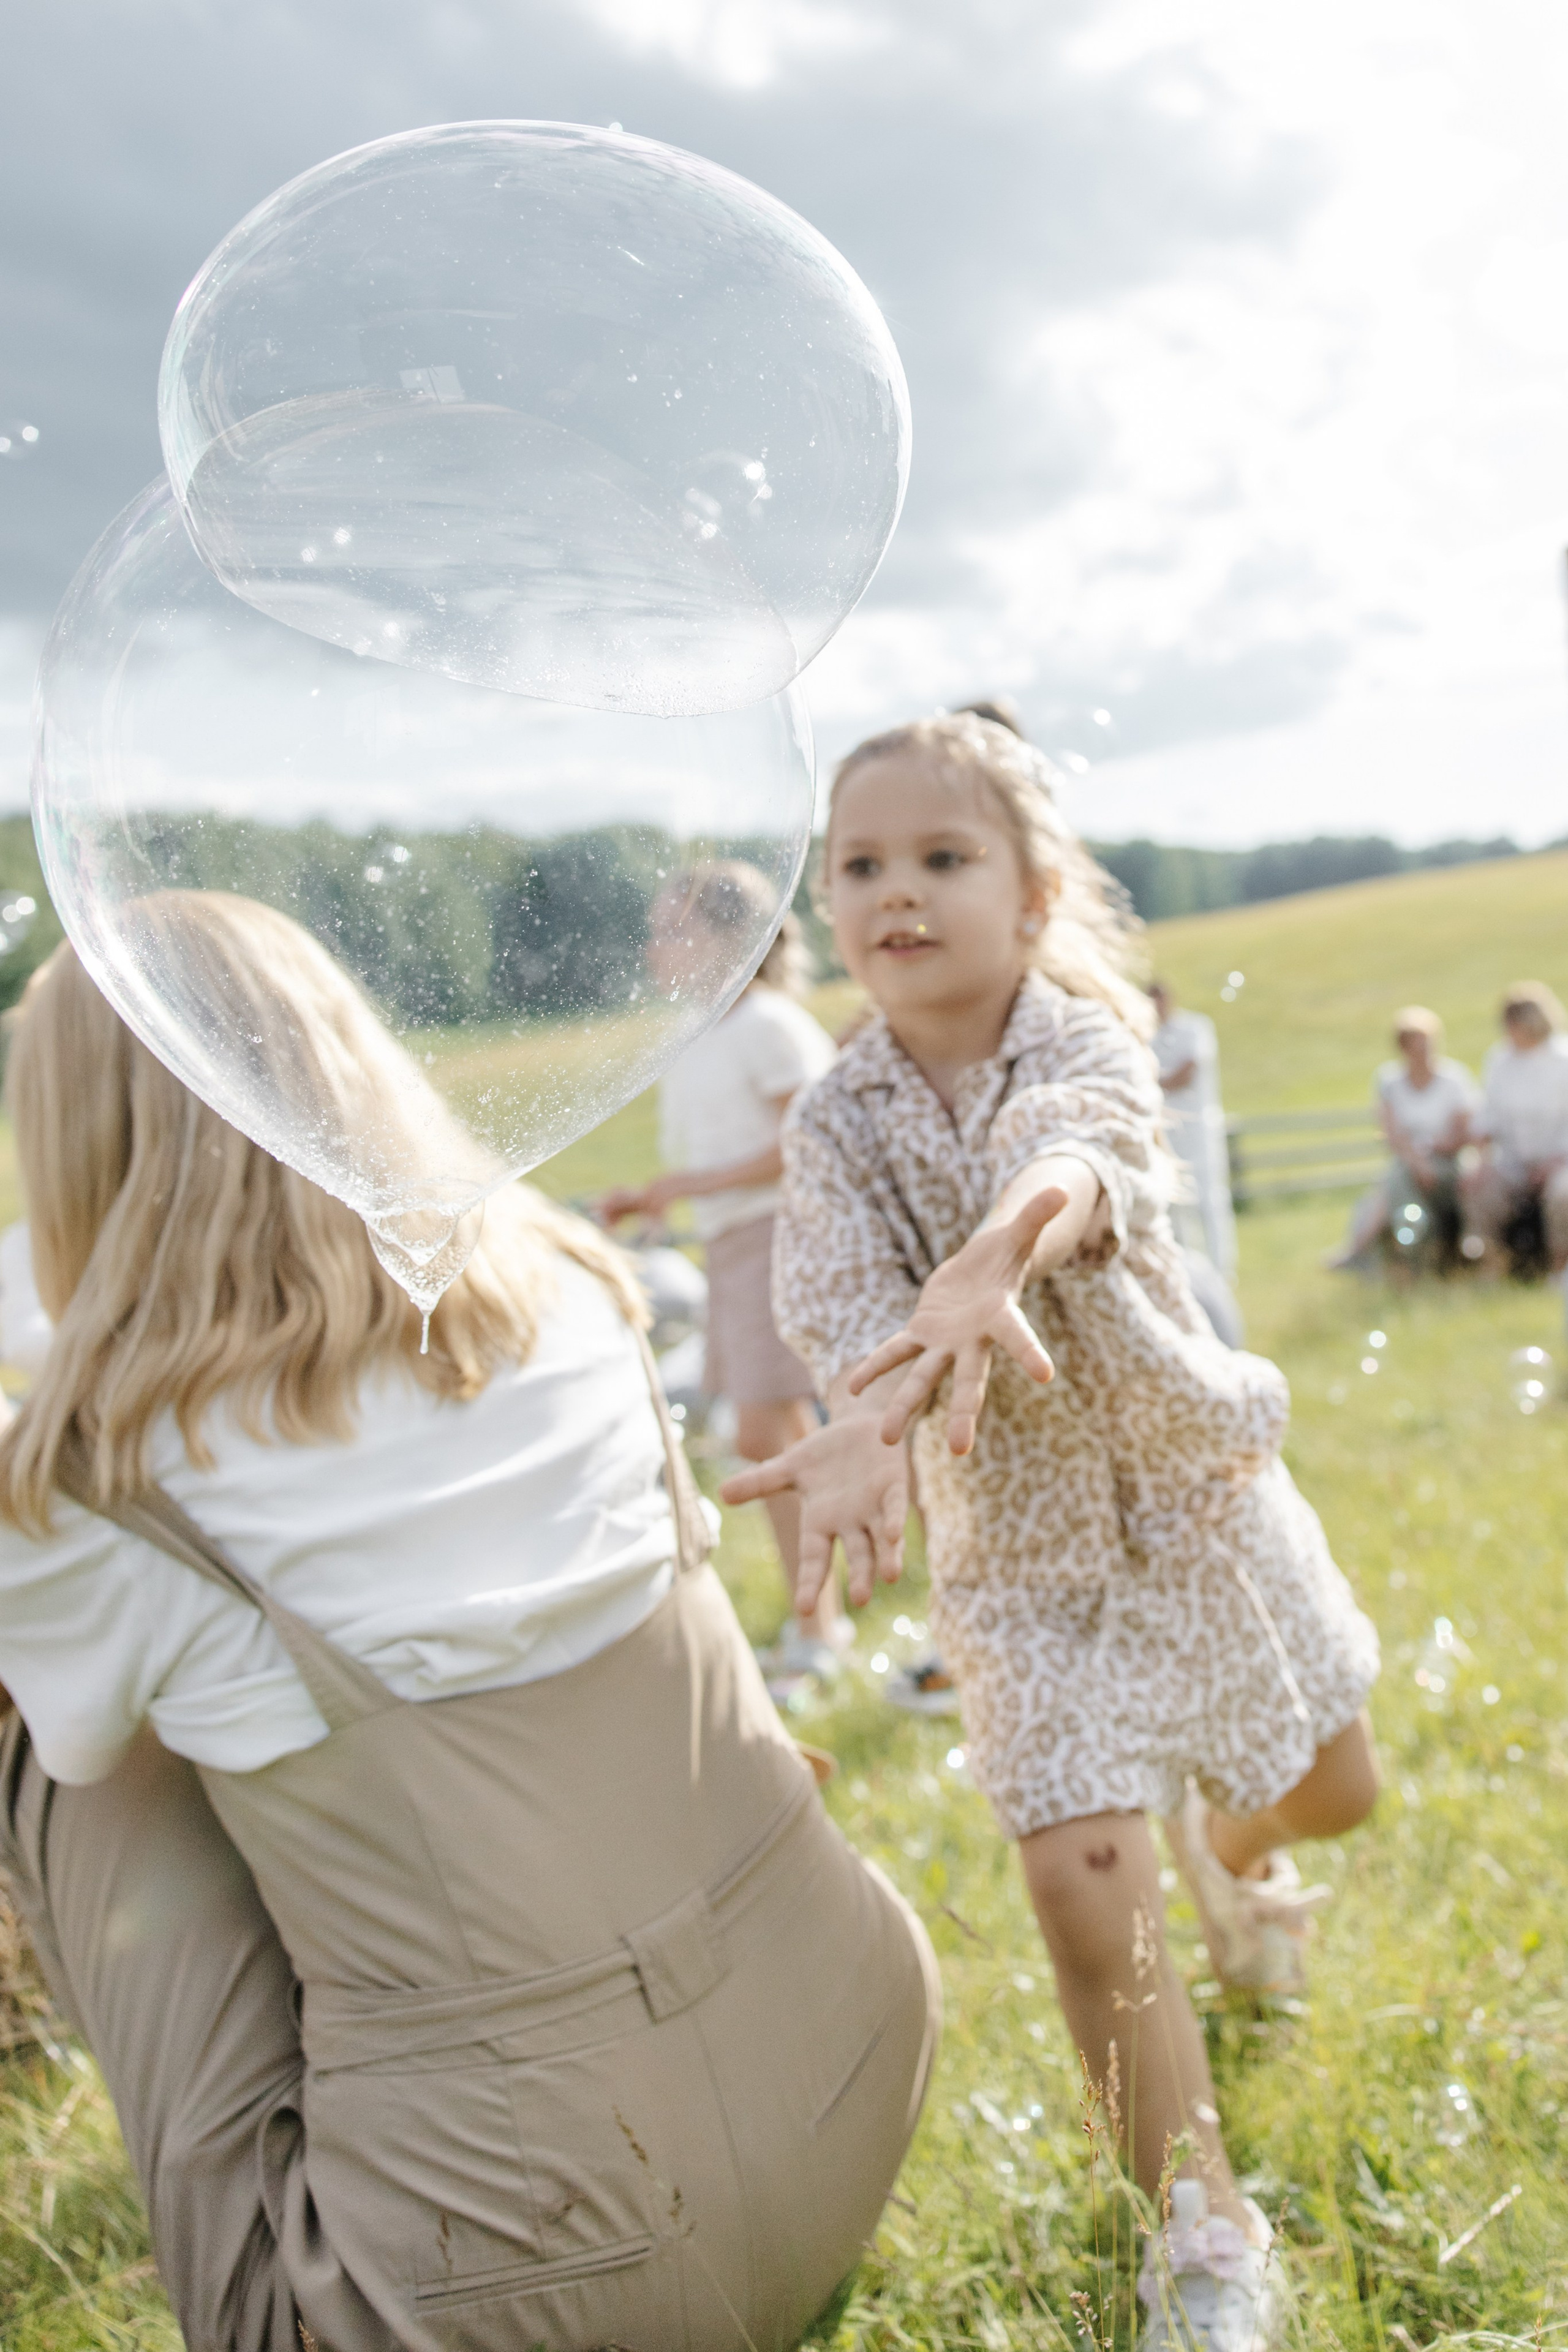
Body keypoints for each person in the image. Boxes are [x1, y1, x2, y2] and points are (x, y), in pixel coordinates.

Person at [0, 904, 939, 2352]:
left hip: (513, 2280)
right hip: (849, 2071)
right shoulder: (569, 1284)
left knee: (63, 1750)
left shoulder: (93, 1485)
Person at [725, 715, 1379, 2347]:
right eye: (861, 864)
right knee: (1083, 1884)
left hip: (1192, 1505)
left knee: (1332, 1789)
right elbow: (836, 1296)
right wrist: (865, 1421)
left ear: (1032, 898)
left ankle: (1238, 1859)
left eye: (942, 857)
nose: (897, 890)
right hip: (1016, 1563)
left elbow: (1085, 1156)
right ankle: (1198, 2238)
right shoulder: (835, 1123)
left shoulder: (1083, 1034)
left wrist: (995, 1253)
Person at [600, 865, 842, 1691]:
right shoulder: (706, 1034)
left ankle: (820, 1628)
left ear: (735, 939)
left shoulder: (768, 1025)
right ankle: (821, 1617)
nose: (655, 948)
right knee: (776, 1435)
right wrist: (663, 1197)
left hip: (783, 1236)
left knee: (766, 1434)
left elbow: (807, 1141)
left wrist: (686, 1186)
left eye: (676, 929)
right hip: (739, 1243)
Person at [1325, 1008, 1477, 1272]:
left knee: (1393, 1183)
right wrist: (1418, 1162)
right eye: (1415, 1046)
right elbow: (1391, 1134)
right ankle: (1409, 1253)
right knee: (1400, 1178)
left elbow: (1463, 1133)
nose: (1422, 1052)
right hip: (1409, 1162)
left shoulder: (1454, 1079)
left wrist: (1433, 1150)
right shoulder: (1390, 1081)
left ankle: (1372, 1251)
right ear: (1403, 1048)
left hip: (1449, 1163)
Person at [1464, 981, 1568, 1276]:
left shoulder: (1563, 1060)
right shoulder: (1499, 1061)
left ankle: (1559, 1267)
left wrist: (1556, 1161)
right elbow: (1487, 1116)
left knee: (1564, 1194)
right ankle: (1492, 1265)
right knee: (1478, 1188)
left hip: (1559, 1160)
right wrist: (1479, 1162)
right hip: (1512, 1161)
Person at [1148, 981, 1237, 1282]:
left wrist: (1150, 1084)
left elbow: (1187, 1072)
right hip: (1166, 1135)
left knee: (1210, 1200)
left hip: (1200, 1130)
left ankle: (1222, 1271)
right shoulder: (1147, 1036)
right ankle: (1189, 1274)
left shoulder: (1195, 1028)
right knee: (1174, 1206)